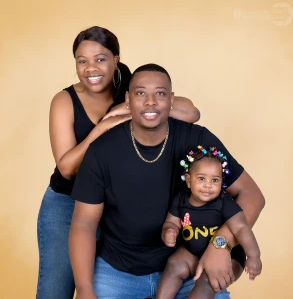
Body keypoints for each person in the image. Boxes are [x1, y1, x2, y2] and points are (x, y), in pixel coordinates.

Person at [69, 63, 265, 299]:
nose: (150, 101)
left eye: (160, 94)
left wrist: (220, 245)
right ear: (128, 100)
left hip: (188, 266)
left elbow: (252, 195)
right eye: (141, 93)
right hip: (118, 271)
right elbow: (84, 224)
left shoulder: (198, 139)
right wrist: (85, 288)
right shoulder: (102, 151)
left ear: (171, 100)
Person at [36, 27, 200, 299]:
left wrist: (134, 107)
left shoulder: (134, 90)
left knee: (105, 286)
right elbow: (66, 168)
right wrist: (102, 128)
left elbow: (191, 112)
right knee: (56, 290)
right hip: (68, 203)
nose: (91, 68)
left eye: (100, 59)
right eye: (82, 61)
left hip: (113, 204)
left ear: (116, 58)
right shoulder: (64, 101)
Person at [156, 146, 262, 299]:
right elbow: (171, 222)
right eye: (201, 178)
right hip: (192, 252)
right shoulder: (181, 199)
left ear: (221, 182)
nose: (208, 185)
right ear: (188, 179)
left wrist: (254, 256)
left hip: (227, 257)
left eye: (214, 180)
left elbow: (241, 228)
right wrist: (169, 231)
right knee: (174, 263)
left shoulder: (223, 202)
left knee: (209, 279)